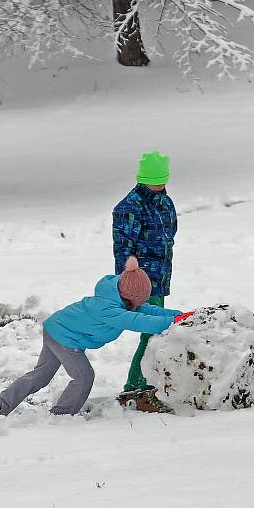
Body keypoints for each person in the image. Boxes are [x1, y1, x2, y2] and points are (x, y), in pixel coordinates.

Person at [0, 257, 186, 418]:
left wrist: (180, 316)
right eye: (137, 301)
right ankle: (61, 417)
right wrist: (172, 322)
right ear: (128, 296)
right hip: (64, 338)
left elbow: (149, 310)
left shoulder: (117, 295)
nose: (140, 305)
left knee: (40, 376)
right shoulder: (108, 309)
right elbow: (140, 321)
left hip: (55, 328)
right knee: (84, 377)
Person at [112, 151, 178, 412]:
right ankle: (135, 389)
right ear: (143, 179)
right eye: (155, 181)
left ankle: (140, 387)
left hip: (159, 276)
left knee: (154, 331)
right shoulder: (129, 207)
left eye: (163, 180)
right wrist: (130, 277)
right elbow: (123, 248)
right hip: (140, 282)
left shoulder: (164, 201)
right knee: (151, 330)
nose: (160, 185)